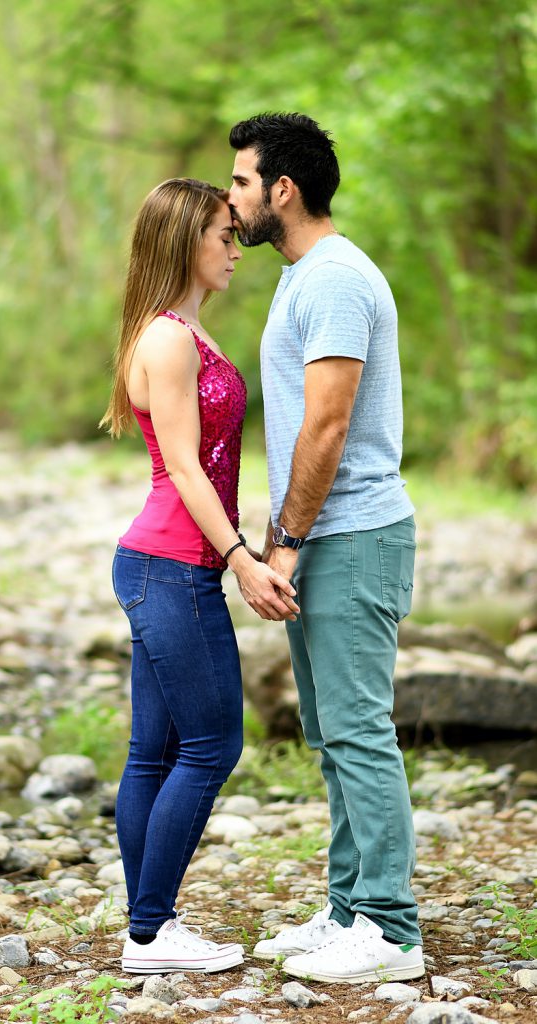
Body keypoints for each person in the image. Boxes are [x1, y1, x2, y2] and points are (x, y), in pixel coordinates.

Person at [227, 113, 424, 984]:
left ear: (283, 188)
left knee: (357, 731)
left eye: (241, 181)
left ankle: (389, 930)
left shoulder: (336, 279)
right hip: (326, 537)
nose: (230, 198)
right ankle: (347, 907)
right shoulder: (303, 277)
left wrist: (285, 544)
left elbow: (327, 425)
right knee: (331, 733)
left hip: (351, 534)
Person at [100, 177, 299, 974]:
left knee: (153, 753)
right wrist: (240, 557)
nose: (235, 249)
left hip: (165, 566)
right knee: (213, 746)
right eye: (222, 234)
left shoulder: (180, 330)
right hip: (172, 568)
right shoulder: (168, 339)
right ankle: (150, 933)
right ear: (184, 240)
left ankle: (149, 928)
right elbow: (184, 467)